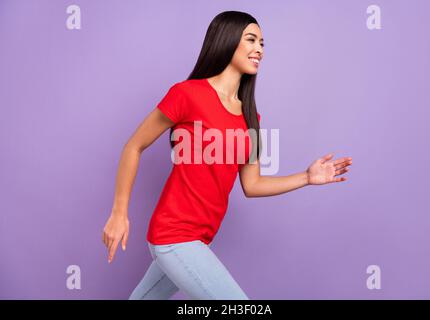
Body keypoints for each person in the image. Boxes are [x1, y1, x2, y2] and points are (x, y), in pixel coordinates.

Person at [101, 10, 353, 300]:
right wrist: (119, 214)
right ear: (228, 40)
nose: (259, 48)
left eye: (262, 43)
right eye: (251, 39)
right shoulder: (187, 94)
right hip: (174, 234)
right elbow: (134, 146)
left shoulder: (251, 116)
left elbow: (252, 184)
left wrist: (307, 178)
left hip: (199, 239)